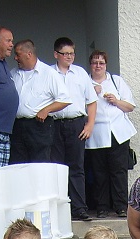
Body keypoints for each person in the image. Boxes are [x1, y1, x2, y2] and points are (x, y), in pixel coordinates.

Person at [50, 37, 97, 221]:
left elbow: (91, 101)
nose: (69, 57)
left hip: (76, 123)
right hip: (54, 124)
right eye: (65, 53)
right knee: (56, 168)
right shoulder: (48, 73)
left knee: (77, 167)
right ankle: (59, 210)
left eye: (72, 53)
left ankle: (79, 208)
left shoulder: (80, 73)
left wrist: (90, 124)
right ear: (56, 54)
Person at [85, 50, 136, 218]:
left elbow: (130, 106)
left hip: (118, 132)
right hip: (96, 132)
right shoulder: (84, 82)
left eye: (101, 63)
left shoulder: (116, 81)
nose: (98, 66)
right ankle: (102, 207)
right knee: (99, 171)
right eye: (94, 62)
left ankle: (121, 206)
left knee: (118, 170)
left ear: (106, 65)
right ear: (90, 65)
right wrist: (92, 91)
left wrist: (116, 101)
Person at [10, 39, 69, 164]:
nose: (15, 58)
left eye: (18, 54)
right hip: (17, 126)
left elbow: (65, 99)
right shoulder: (13, 74)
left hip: (39, 126)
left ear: (29, 54)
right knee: (18, 164)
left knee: (39, 164)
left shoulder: (48, 73)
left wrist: (46, 110)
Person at [0, 27, 19, 169]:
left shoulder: (1, 62)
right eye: (8, 41)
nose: (11, 45)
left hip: (3, 130)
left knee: (0, 174)